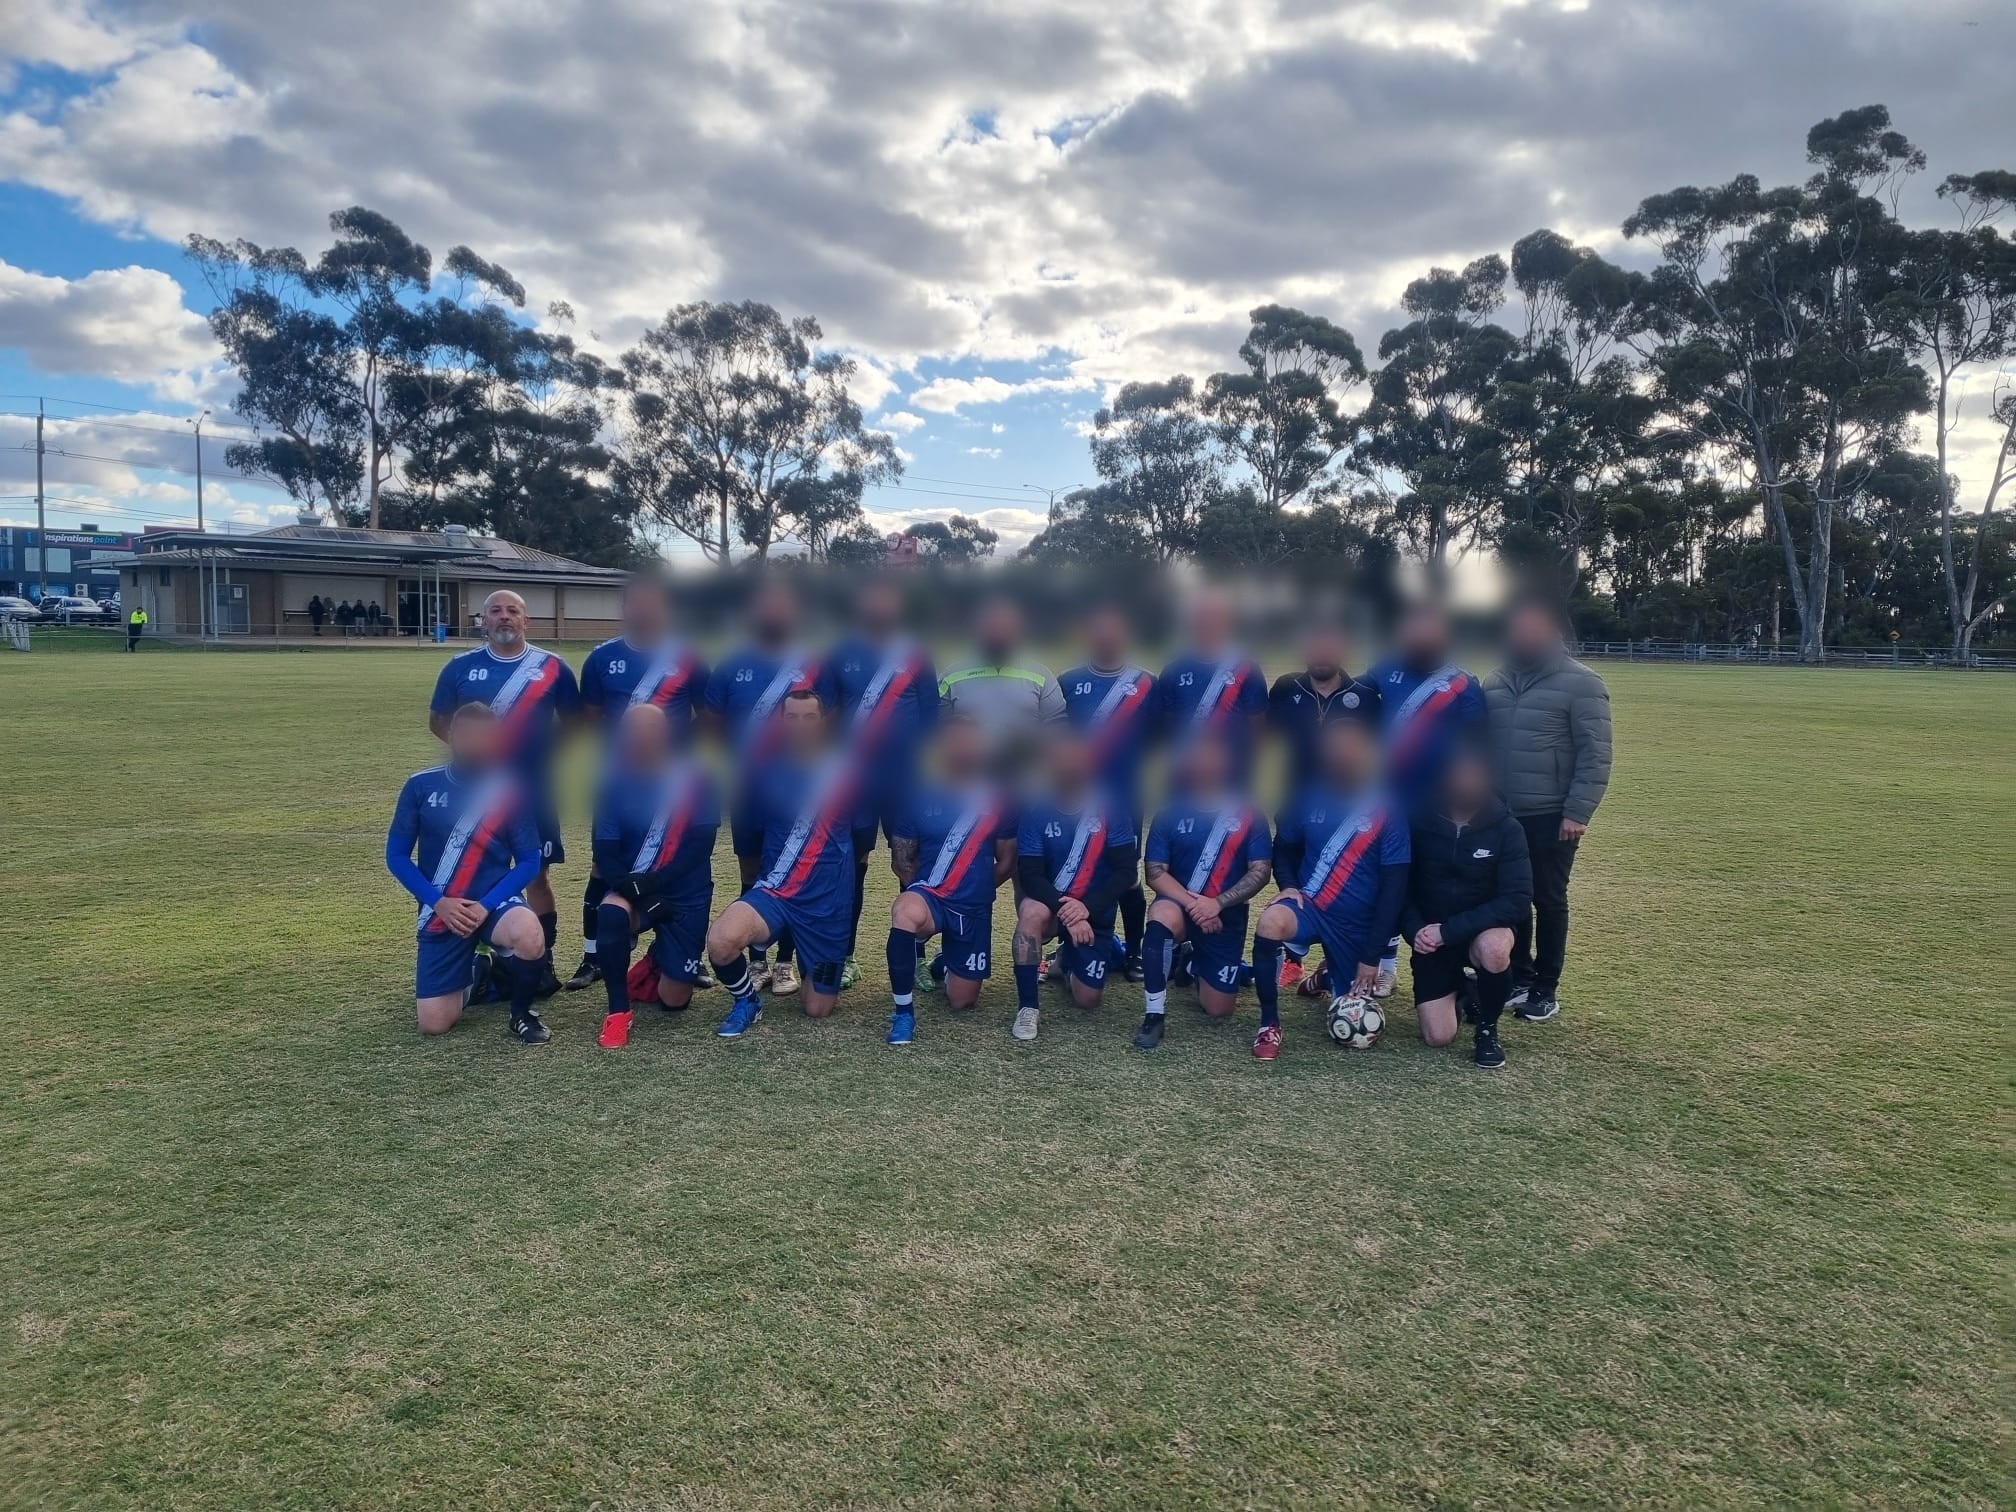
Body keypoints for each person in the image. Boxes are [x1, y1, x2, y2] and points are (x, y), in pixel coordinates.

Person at [428, 589, 583, 998]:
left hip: (531, 789)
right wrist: (471, 754)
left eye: (512, 611)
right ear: (483, 620)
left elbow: (574, 721)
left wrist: (542, 754)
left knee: (537, 872)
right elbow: (438, 720)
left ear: (526, 621)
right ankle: (479, 958)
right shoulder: (460, 667)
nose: (504, 617)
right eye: (495, 611)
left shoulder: (552, 667)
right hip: (476, 793)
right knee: (475, 870)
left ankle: (542, 960)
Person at [569, 573, 709, 991]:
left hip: (674, 782)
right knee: (604, 861)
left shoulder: (690, 657)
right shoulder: (601, 658)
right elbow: (591, 715)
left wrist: (672, 752)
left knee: (682, 859)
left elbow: (707, 715)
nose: (646, 609)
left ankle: (683, 954)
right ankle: (593, 955)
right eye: (638, 601)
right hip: (619, 774)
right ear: (625, 608)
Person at [384, 702, 551, 1043]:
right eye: (467, 735)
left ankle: (521, 1014)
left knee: (530, 934)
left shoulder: (512, 790)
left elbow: (530, 861)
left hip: (494, 904)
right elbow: (396, 857)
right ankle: (480, 971)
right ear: (449, 736)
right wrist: (438, 902)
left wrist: (486, 905)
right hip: (443, 908)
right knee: (434, 1024)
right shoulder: (420, 786)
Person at [1482, 593, 1614, 1023]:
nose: (1525, 634)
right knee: (1511, 898)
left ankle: (1545, 987)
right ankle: (1517, 976)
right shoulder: (1495, 682)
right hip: (1502, 815)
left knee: (1549, 898)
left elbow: (1595, 754)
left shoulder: (1583, 683)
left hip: (1552, 814)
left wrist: (1578, 811)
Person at [1250, 716, 1410, 1062]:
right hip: (1310, 909)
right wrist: (1289, 886)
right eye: (1334, 747)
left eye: (1351, 747)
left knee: (1349, 1007)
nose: (1343, 755)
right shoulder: (1306, 795)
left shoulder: (1388, 808)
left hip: (1356, 924)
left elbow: (1394, 887)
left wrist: (1372, 957)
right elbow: (1284, 848)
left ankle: (1325, 977)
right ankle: (1269, 1023)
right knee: (1270, 923)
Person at [702, 576, 831, 998]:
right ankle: (755, 959)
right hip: (750, 789)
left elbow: (828, 720)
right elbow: (715, 726)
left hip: (801, 789)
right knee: (752, 871)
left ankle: (784, 963)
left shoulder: (814, 664)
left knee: (796, 872)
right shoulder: (731, 664)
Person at [703, 687, 856, 1035]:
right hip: (776, 893)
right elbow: (752, 833)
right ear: (782, 721)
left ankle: (811, 964)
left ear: (823, 721)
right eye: (792, 717)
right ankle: (746, 1001)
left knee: (818, 1009)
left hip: (827, 906)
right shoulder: (763, 772)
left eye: (809, 717)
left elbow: (861, 836)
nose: (801, 725)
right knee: (722, 940)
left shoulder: (847, 772)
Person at [1366, 598, 1485, 997]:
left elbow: (1474, 749)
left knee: (1429, 885)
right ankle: (1384, 964)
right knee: (1386, 880)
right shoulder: (1383, 670)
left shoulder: (1464, 683)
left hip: (1437, 807)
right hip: (1385, 799)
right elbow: (1355, 721)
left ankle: (1439, 968)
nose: (1422, 637)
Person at [587, 704, 721, 1049]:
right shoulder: (611, 783)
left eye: (651, 728)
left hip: (685, 892)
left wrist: (657, 884)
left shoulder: (697, 779)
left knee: (674, 1002)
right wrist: (643, 895)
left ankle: (659, 958)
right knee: (611, 913)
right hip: (634, 891)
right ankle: (618, 1011)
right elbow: (605, 852)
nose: (643, 736)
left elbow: (700, 845)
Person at [831, 576, 939, 992]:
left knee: (908, 865)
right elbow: (830, 713)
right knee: (850, 869)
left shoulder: (916, 653)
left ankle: (915, 956)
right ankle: (845, 955)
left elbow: (931, 719)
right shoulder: (842, 652)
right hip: (854, 783)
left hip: (904, 782)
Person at [883, 717, 1017, 1046]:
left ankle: (946, 965)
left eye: (970, 745)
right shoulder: (918, 795)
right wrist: (929, 892)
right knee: (906, 912)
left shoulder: (1001, 799)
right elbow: (901, 860)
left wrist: (976, 891)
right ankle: (903, 1013)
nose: (963, 752)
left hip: (973, 907)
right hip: (931, 899)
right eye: (955, 744)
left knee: (963, 1000)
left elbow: (1008, 861)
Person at [1136, 730, 1273, 1050]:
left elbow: (1261, 871)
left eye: (1212, 759)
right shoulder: (1170, 812)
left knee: (1219, 1010)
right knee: (1160, 914)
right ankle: (1154, 1015)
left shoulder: (1249, 813)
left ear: (1227, 765)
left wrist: (1218, 903)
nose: (1205, 765)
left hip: (1225, 917)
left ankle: (1192, 963)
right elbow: (1155, 874)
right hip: (1183, 908)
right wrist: (1196, 905)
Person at [1398, 741, 1531, 1068]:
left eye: (1475, 775)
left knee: (1495, 948)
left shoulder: (1507, 828)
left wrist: (1450, 931)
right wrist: (1415, 931)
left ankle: (1487, 1029)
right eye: (1459, 775)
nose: (1466, 782)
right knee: (1438, 1037)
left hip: (1476, 933)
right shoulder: (1419, 821)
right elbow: (1398, 885)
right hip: (1431, 937)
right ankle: (1467, 988)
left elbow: (1517, 900)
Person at [1265, 620, 1380, 992]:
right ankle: (1294, 959)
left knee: (1344, 876)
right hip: (1297, 797)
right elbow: (1262, 735)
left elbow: (1377, 748)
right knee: (1297, 872)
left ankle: (1339, 961)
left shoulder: (1364, 694)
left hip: (1347, 805)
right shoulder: (1286, 688)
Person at [1009, 728, 1139, 1043]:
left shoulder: (1111, 808)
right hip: (1053, 906)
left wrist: (1086, 908)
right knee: (1030, 915)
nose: (1068, 768)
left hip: (1094, 912)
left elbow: (1125, 872)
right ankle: (1028, 1007)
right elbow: (1031, 875)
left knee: (1088, 1000)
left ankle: (1065, 962)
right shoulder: (1035, 811)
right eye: (1060, 761)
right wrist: (1069, 911)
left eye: (1075, 760)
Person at [1059, 604, 1160, 981]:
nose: (1106, 638)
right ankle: (1065, 946)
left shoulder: (1147, 683)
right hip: (1074, 796)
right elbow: (1059, 739)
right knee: (1071, 868)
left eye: (1114, 631)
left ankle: (1134, 950)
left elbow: (1156, 736)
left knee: (1126, 874)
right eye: (1099, 631)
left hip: (1124, 798)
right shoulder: (1068, 681)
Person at [937, 592, 1066, 780]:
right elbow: (939, 728)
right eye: (992, 627)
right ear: (978, 629)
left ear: (1018, 630)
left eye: (1005, 627)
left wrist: (1036, 748)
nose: (998, 633)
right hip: (969, 783)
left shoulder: (1041, 675)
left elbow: (1058, 726)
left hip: (1026, 783)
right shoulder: (951, 676)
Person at [1157, 585, 1270, 786]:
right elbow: (1167, 726)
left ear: (1228, 620)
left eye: (1215, 615)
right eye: (1201, 614)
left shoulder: (1247, 667)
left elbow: (1257, 727)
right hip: (1185, 776)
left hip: (1233, 778)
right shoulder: (1174, 667)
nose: (1208, 621)